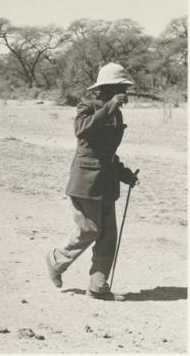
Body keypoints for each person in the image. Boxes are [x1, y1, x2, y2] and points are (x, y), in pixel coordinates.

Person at [46, 62, 139, 301]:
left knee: (108, 235)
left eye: (125, 88)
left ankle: (98, 286)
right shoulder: (87, 105)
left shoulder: (115, 112)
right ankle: (57, 260)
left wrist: (124, 173)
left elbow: (107, 151)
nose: (125, 92)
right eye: (121, 87)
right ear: (106, 88)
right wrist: (109, 106)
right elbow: (82, 130)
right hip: (86, 179)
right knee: (90, 229)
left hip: (107, 180)